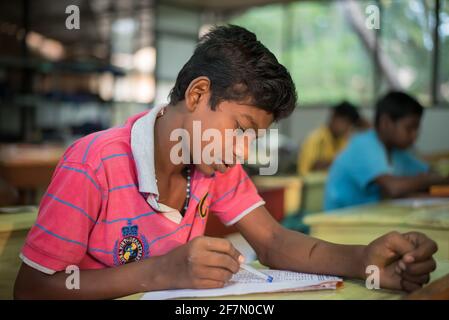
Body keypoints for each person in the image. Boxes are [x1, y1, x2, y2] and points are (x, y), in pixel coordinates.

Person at [14, 26, 437, 299]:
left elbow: (272, 242)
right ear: (198, 95)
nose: (242, 151)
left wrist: (364, 258)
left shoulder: (215, 165)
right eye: (241, 128)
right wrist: (161, 272)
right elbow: (32, 289)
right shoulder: (93, 164)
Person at [324, 91, 449, 211]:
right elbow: (394, 188)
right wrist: (430, 179)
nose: (415, 135)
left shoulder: (396, 151)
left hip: (368, 216)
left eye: (417, 128)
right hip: (339, 222)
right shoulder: (364, 144)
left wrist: (433, 179)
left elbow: (427, 172)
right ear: (386, 123)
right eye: (409, 128)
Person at [297, 101, 368, 176]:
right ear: (334, 117)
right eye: (345, 122)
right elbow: (303, 173)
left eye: (350, 125)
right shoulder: (314, 140)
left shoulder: (345, 141)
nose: (347, 128)